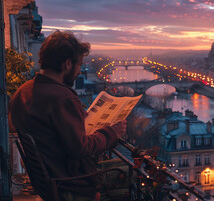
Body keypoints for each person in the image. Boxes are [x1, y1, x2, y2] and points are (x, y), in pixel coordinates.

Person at [8, 30, 127, 200]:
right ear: (67, 64)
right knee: (128, 172)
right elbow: (81, 149)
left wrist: (74, 119)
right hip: (70, 184)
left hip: (45, 180)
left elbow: (39, 127)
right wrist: (112, 133)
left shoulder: (23, 91)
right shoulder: (63, 98)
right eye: (79, 65)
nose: (79, 71)